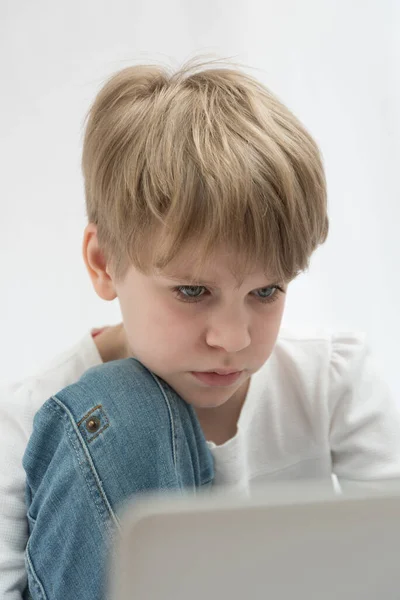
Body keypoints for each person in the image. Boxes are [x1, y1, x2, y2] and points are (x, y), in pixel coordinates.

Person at [2, 59, 400, 600]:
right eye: (193, 292)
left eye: (266, 291)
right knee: (117, 410)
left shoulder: (333, 380)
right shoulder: (31, 420)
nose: (233, 339)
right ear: (104, 263)